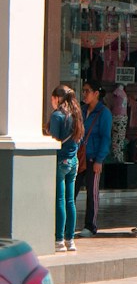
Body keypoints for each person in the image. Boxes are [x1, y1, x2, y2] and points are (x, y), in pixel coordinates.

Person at [47, 85, 83, 253]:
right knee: (70, 201)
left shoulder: (58, 116)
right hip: (73, 161)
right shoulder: (76, 115)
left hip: (61, 161)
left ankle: (59, 239)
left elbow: (54, 140)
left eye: (52, 98)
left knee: (60, 200)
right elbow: (79, 139)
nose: (51, 102)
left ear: (57, 98)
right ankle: (70, 240)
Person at [80, 81, 112, 236]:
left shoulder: (103, 113)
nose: (84, 94)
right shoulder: (82, 110)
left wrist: (99, 160)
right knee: (72, 189)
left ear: (96, 93)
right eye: (83, 91)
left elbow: (106, 138)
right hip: (80, 157)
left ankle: (90, 225)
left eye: (87, 91)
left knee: (92, 192)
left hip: (93, 158)